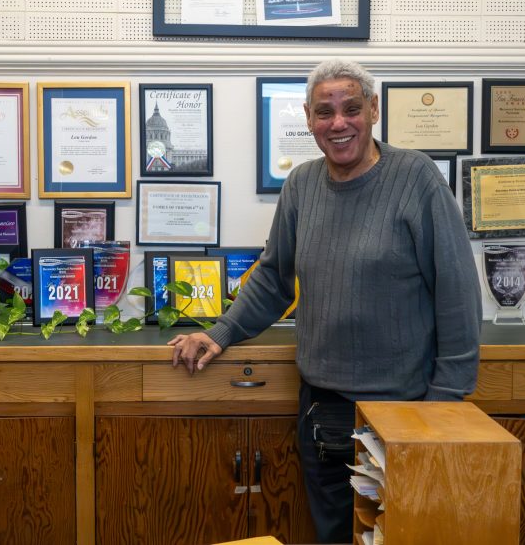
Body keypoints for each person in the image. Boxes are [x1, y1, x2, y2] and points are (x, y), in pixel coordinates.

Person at [169, 59, 482, 543]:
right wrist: (220, 332)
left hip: (408, 408)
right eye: (324, 112)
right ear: (309, 118)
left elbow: (458, 292)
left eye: (351, 108)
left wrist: (443, 403)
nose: (338, 123)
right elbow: (274, 277)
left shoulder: (417, 178)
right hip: (324, 412)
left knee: (408, 535)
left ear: (373, 110)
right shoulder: (301, 185)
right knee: (335, 535)